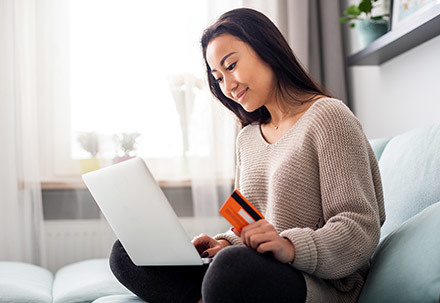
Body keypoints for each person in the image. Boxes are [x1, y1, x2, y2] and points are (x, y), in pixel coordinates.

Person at [110, 8, 385, 303]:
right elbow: (249, 225)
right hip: (255, 268)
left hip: (318, 281)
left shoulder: (328, 117)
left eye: (231, 66)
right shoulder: (247, 139)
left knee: (231, 270)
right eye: (217, 78)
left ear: (266, 49)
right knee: (127, 252)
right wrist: (223, 242)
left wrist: (289, 246)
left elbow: (360, 226)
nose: (227, 86)